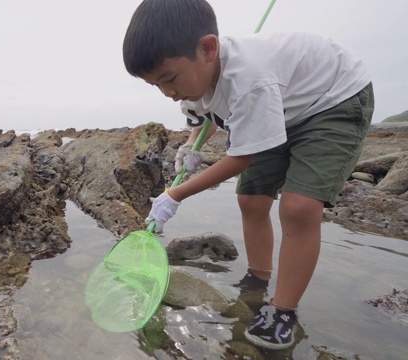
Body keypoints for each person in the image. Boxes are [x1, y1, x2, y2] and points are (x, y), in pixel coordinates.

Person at [122, 0, 374, 350]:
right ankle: (258, 279)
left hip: (331, 100)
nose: (168, 92)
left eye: (169, 78)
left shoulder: (249, 80)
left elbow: (240, 158)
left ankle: (282, 311)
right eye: (156, 85)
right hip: (278, 109)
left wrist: (174, 194)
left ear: (208, 48)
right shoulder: (193, 84)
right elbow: (205, 118)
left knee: (299, 207)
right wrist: (192, 146)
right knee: (251, 199)